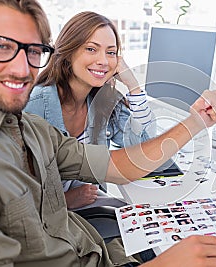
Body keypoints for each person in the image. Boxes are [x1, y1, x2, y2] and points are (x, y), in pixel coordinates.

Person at [0, 0, 216, 266]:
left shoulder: (34, 128)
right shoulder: (21, 117)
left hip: (89, 244)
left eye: (33, 51)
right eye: (1, 46)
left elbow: (126, 164)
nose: (22, 69)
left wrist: (196, 121)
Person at [24, 11, 155, 210]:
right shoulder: (33, 106)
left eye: (111, 52)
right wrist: (67, 200)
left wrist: (133, 86)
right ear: (68, 52)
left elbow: (145, 152)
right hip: (49, 221)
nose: (103, 60)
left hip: (88, 207)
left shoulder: (104, 102)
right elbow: (15, 194)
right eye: (91, 49)